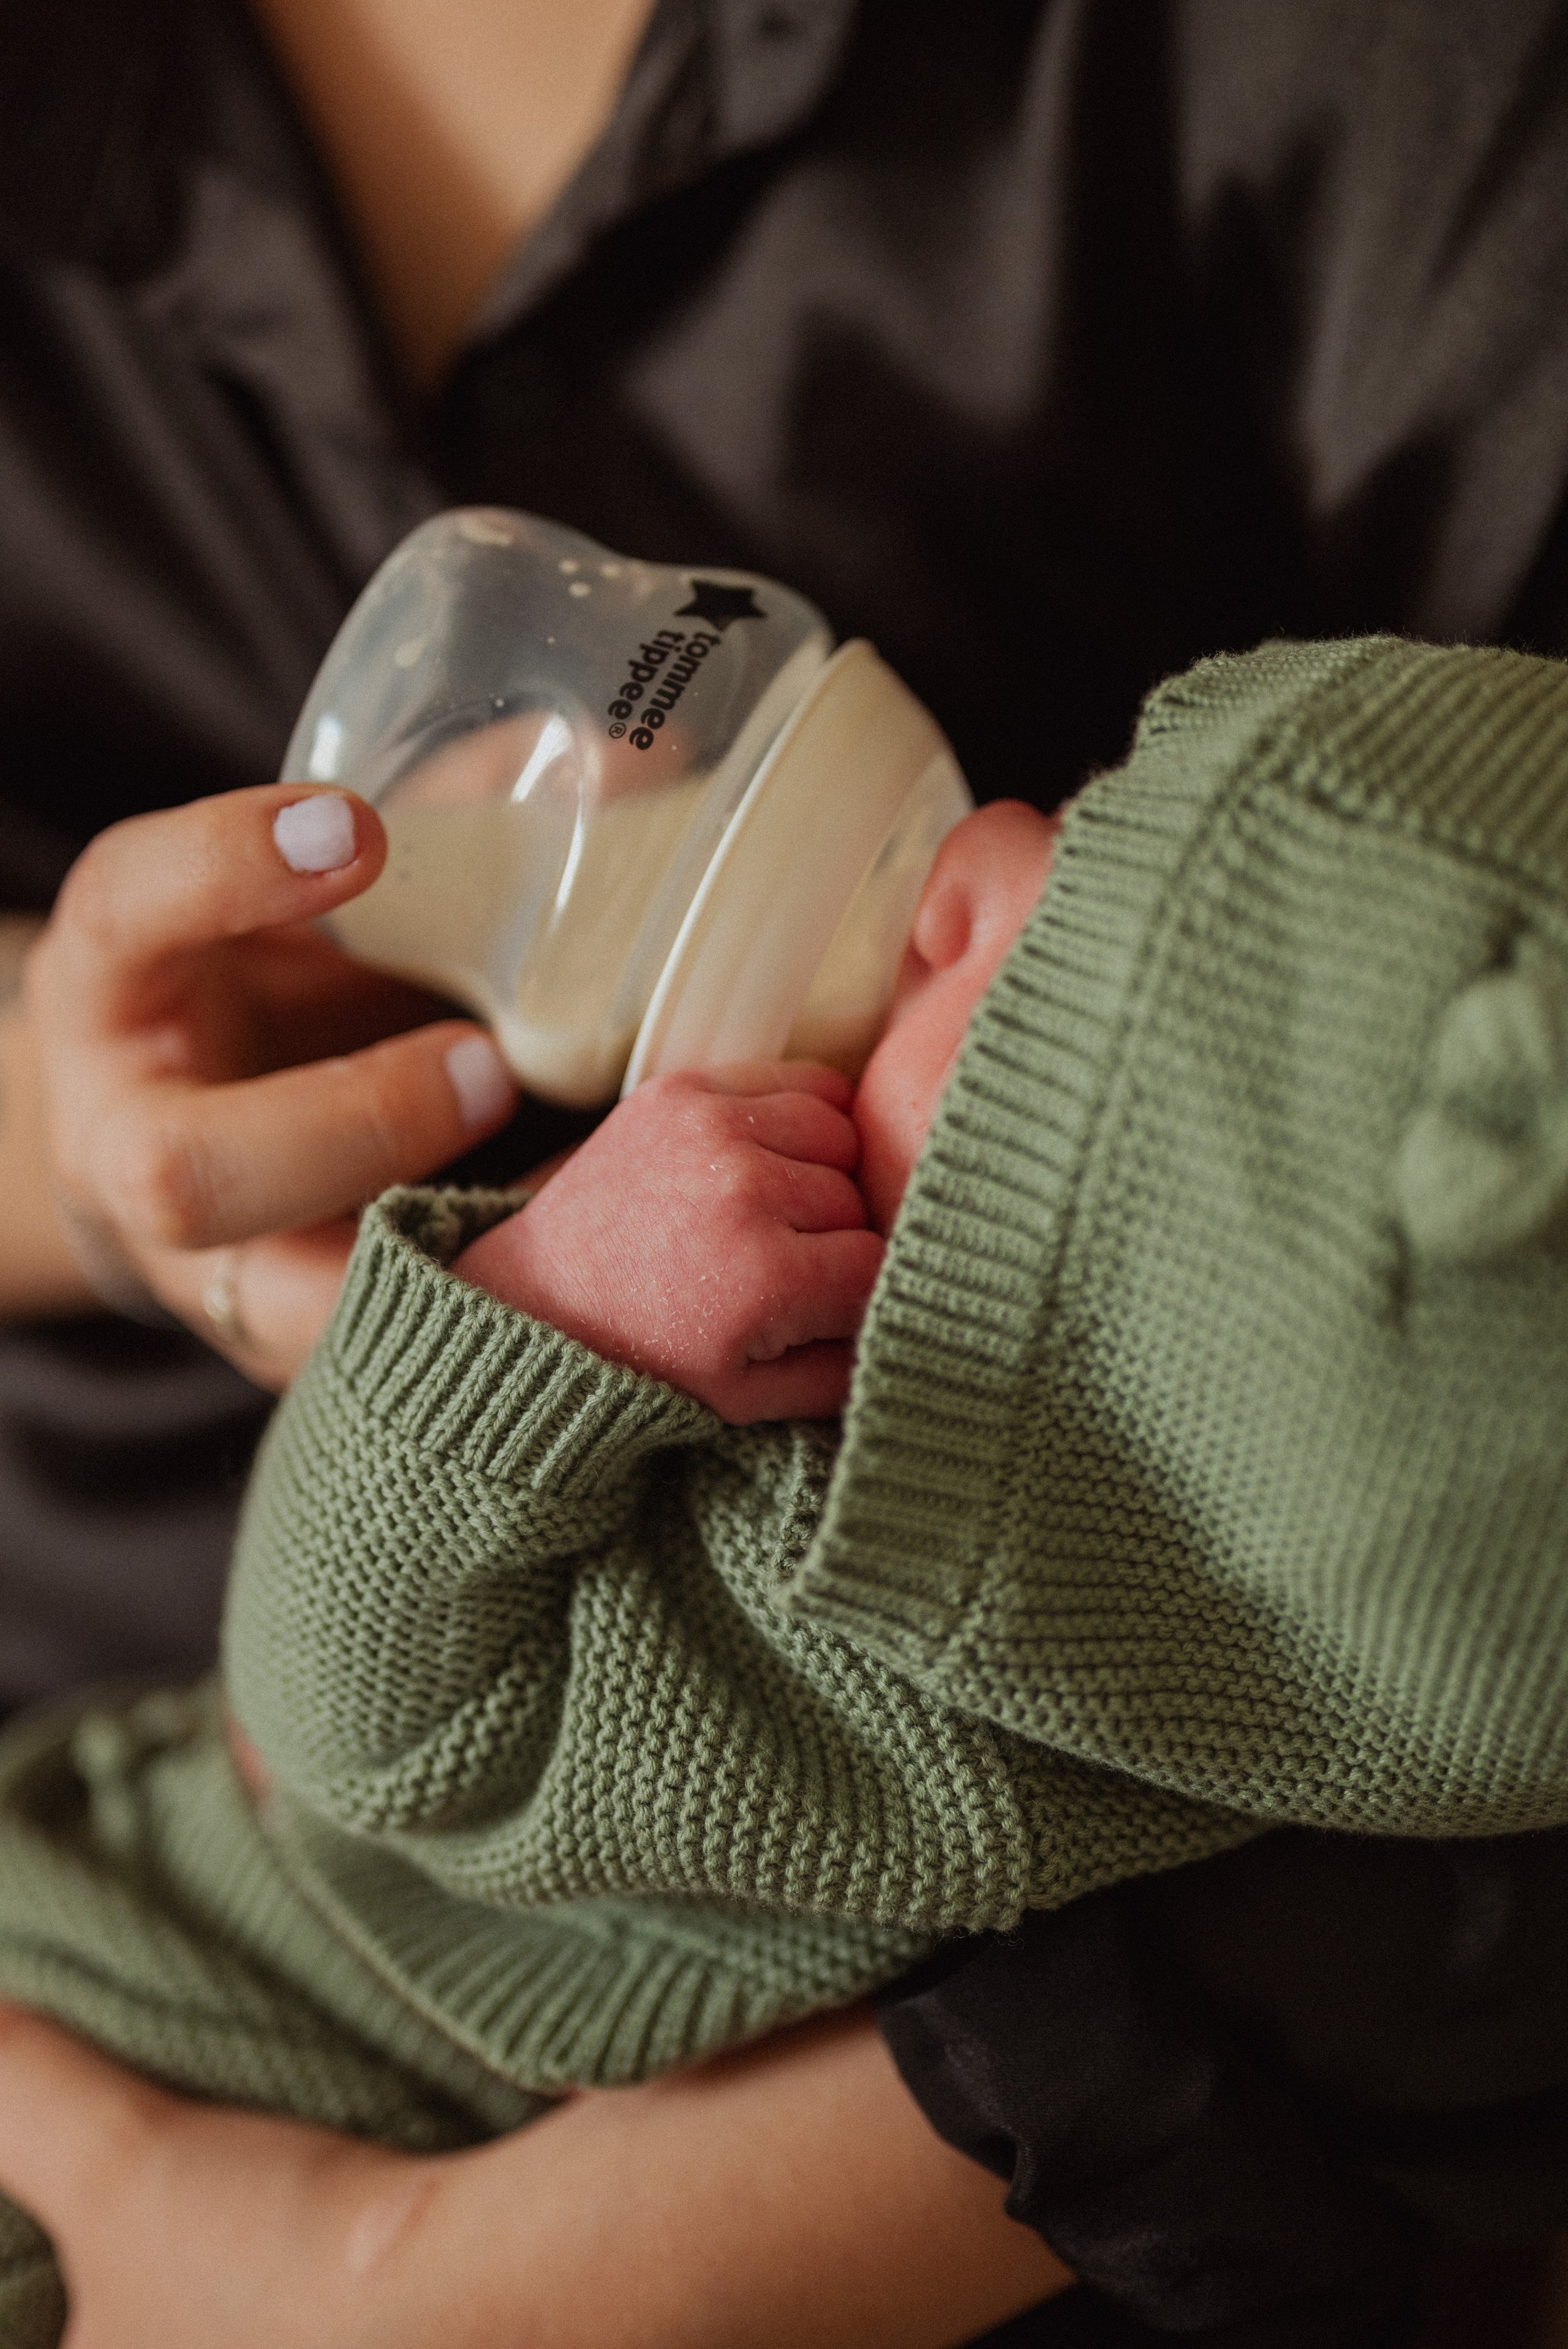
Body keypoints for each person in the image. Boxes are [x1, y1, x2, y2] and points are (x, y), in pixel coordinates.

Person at [4, 633, 1568, 2348]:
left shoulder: (866, 1677)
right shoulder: (1225, 1635)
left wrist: (557, 1309)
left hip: (149, 2032)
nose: (984, 853)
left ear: (1103, 1342)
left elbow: (360, 1725)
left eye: (1069, 928)